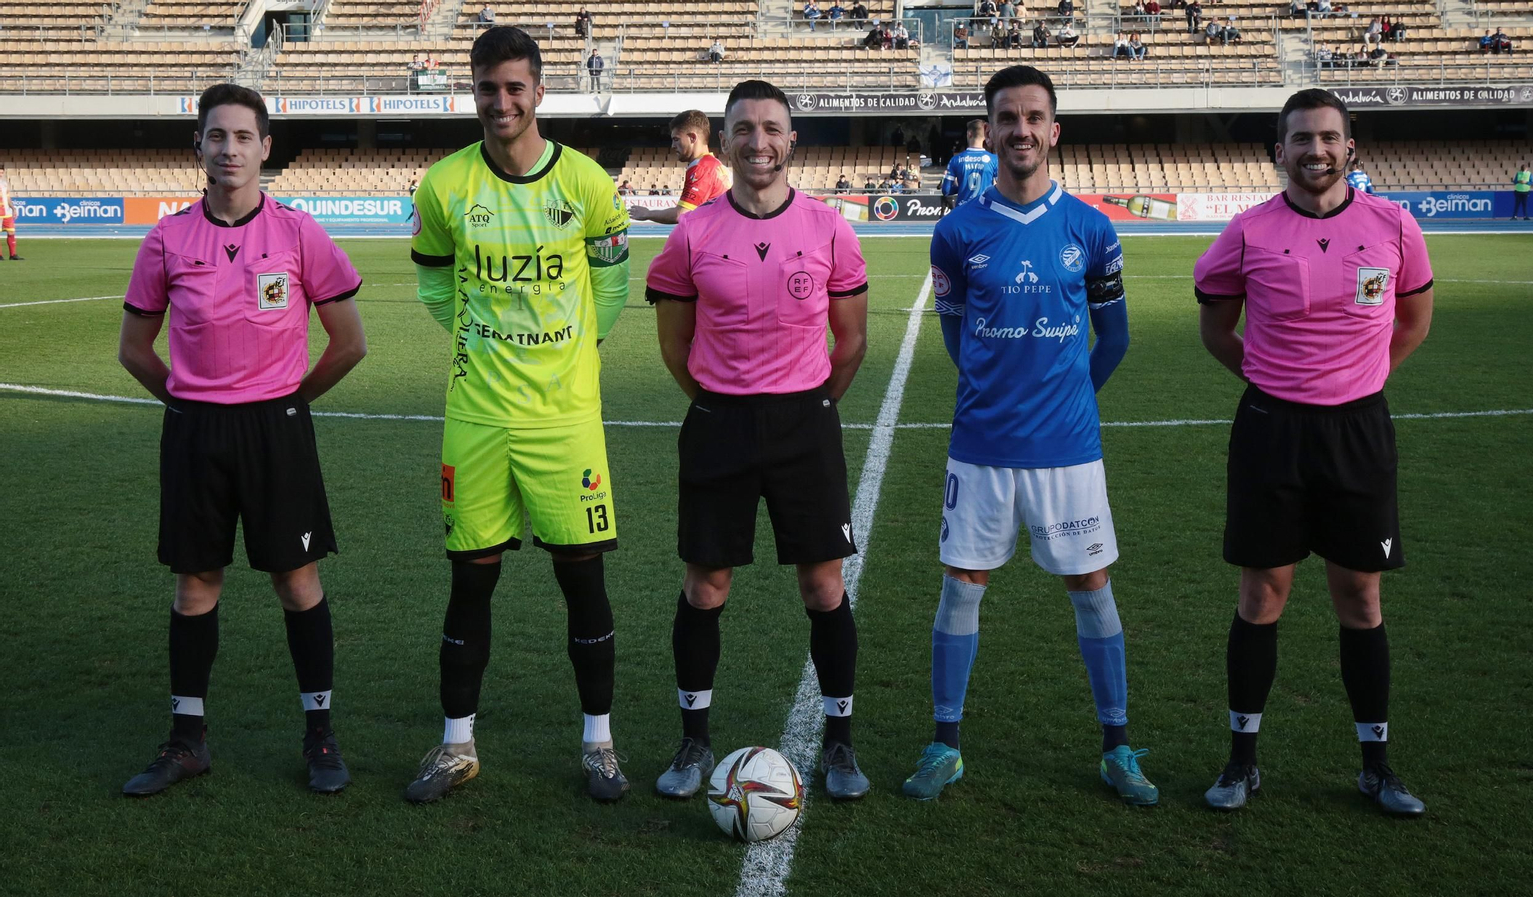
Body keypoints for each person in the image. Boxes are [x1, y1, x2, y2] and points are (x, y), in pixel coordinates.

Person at [904, 64, 1149, 806]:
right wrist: (1001, 396)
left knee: (1092, 586)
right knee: (961, 585)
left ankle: (1117, 747)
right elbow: (956, 336)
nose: (1020, 129)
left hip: (1068, 449)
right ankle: (945, 744)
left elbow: (1114, 339)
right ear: (990, 130)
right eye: (1006, 117)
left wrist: (1066, 400)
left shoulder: (1091, 228)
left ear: (1054, 129)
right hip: (981, 447)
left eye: (1033, 116)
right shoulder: (957, 232)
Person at [404, 25, 633, 805]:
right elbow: (436, 286)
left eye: (513, 87)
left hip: (566, 419)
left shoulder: (589, 185)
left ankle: (599, 744)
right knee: (471, 581)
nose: (500, 102)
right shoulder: (442, 187)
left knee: (584, 580)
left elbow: (610, 282)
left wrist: (577, 348)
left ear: (539, 91)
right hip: (476, 416)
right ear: (473, 92)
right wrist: (481, 341)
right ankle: (457, 743)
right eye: (486, 88)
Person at [117, 83, 367, 797]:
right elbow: (135, 347)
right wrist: (189, 401)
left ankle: (320, 733)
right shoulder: (167, 237)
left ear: (265, 148)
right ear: (198, 145)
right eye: (216, 136)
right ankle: (187, 738)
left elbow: (349, 342)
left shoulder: (297, 232)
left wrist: (288, 403)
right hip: (195, 430)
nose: (229, 149)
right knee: (195, 584)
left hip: (275, 429)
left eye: (242, 136)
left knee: (297, 580)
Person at [1192, 88, 1435, 818]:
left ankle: (1376, 765)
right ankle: (1241, 762)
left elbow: (1413, 321)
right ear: (1280, 151)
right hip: (1272, 431)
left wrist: (1357, 379)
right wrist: (1276, 380)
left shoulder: (1394, 226)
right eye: (1301, 139)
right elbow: (1216, 329)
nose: (1316, 150)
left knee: (1360, 597)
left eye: (1329, 138)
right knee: (1261, 595)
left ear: (1349, 147)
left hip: (1358, 433)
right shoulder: (1246, 232)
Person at [646, 79, 872, 804]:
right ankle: (693, 738)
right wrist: (722, 403)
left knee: (823, 584)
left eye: (771, 128)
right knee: (706, 586)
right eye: (744, 128)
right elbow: (676, 347)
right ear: (727, 138)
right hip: (720, 424)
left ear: (790, 139)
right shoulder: (693, 233)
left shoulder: (830, 227)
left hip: (805, 423)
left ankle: (839, 742)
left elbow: (853, 337)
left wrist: (810, 406)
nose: (758, 142)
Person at [629, 109, 732, 225]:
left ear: (692, 138)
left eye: (676, 139)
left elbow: (681, 214)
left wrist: (647, 213)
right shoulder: (716, 164)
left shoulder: (701, 168)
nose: (673, 146)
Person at [0, 164, 19, 260]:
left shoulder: (4, 184)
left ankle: (13, 255)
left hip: (6, 213)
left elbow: (7, 198)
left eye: (2, 172)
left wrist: (13, 208)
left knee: (11, 232)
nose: (0, 174)